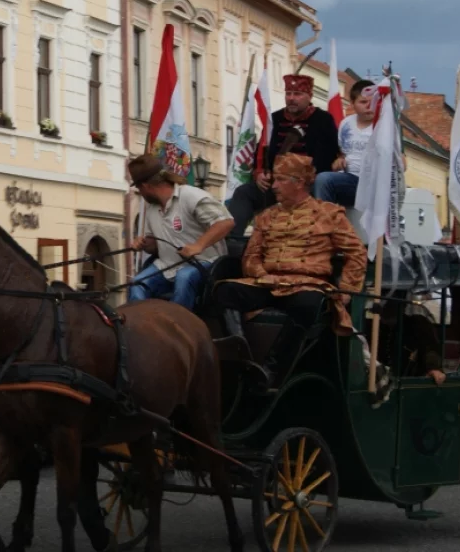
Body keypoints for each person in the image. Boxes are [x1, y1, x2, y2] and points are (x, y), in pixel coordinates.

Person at [213, 153, 372, 386]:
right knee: (224, 292)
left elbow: (356, 252)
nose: (274, 185)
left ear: (299, 182)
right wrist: (261, 274)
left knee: (308, 304)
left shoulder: (329, 214)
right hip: (268, 283)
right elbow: (251, 256)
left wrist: (347, 288)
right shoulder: (266, 217)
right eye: (274, 179)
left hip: (307, 285)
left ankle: (272, 370)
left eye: (280, 180)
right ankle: (241, 356)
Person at [225, 74, 340, 239]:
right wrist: (260, 173)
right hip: (276, 184)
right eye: (289, 94)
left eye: (297, 94)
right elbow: (263, 150)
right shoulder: (275, 119)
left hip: (306, 187)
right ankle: (231, 241)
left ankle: (317, 237)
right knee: (245, 192)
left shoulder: (323, 120)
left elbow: (326, 158)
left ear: (309, 96)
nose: (292, 98)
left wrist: (298, 177)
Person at [127, 154, 235, 310]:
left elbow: (226, 222)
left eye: (138, 188)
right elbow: (155, 246)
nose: (140, 192)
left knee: (184, 277)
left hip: (206, 263)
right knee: (137, 283)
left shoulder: (191, 196)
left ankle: (177, 327)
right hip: (167, 266)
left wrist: (198, 246)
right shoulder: (152, 209)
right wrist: (144, 243)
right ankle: (142, 326)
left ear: (145, 186)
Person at [314, 79, 408, 210]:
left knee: (324, 180)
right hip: (350, 179)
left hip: (374, 183)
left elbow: (402, 164)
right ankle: (327, 221)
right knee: (314, 182)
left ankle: (325, 222)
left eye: (373, 102)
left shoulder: (386, 126)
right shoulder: (346, 124)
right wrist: (339, 161)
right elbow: (343, 153)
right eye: (363, 102)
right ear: (352, 103)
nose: (369, 106)